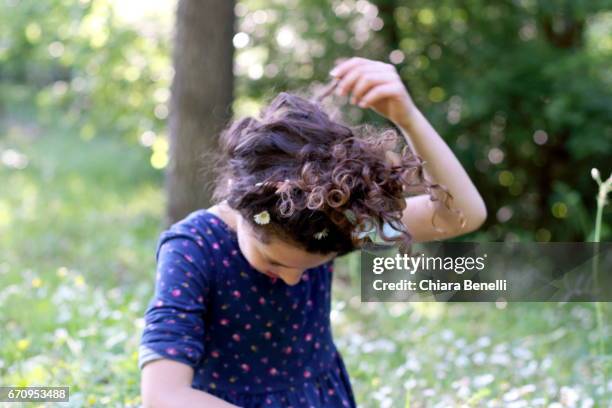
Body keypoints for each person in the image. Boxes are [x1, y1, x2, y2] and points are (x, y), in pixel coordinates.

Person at [139, 57, 487, 407]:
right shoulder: (193, 249)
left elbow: (461, 216)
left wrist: (407, 118)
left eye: (311, 267)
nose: (293, 280)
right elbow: (163, 395)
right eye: (274, 260)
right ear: (244, 211)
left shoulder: (332, 223)